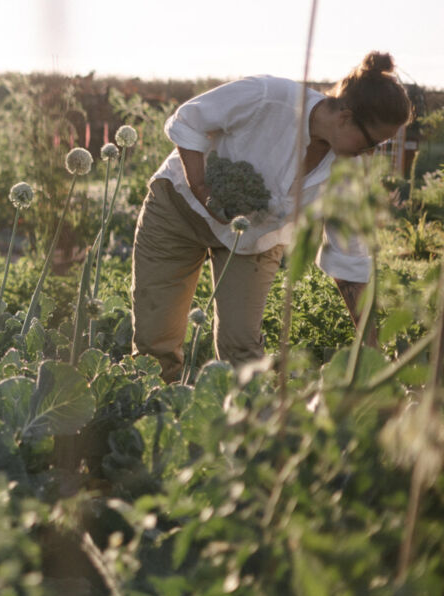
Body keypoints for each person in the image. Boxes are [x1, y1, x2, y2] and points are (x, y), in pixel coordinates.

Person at [131, 51, 412, 382]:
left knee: (241, 352)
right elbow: (189, 119)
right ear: (345, 118)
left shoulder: (347, 171)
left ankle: (236, 426)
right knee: (155, 342)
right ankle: (154, 420)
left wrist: (370, 345)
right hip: (179, 211)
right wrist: (203, 189)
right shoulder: (268, 97)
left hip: (254, 240)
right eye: (371, 142)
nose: (371, 153)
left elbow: (348, 255)